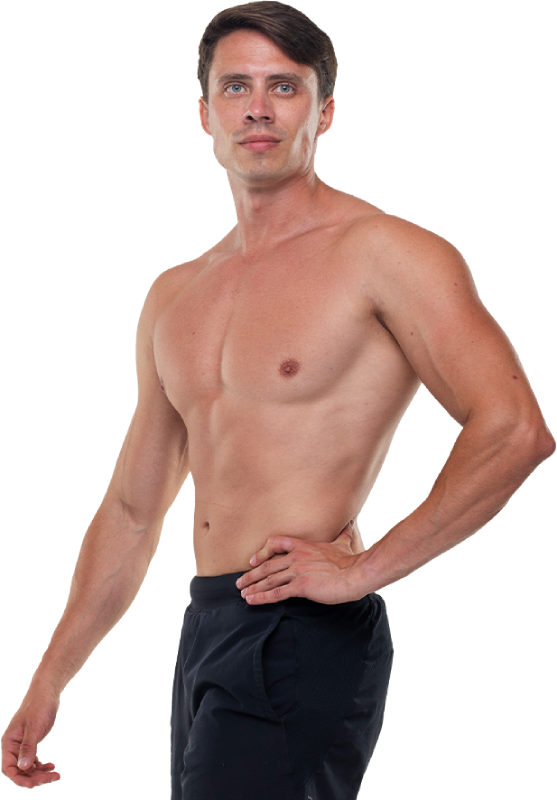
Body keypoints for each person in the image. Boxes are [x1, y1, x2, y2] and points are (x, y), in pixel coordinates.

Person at [1, 1, 554, 796]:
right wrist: (49, 678)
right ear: (205, 113)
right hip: (206, 625)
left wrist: (365, 570)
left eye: (283, 87)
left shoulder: (384, 253)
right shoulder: (175, 293)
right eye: (236, 86)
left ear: (322, 112)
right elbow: (131, 510)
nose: (257, 107)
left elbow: (513, 430)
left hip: (302, 628)